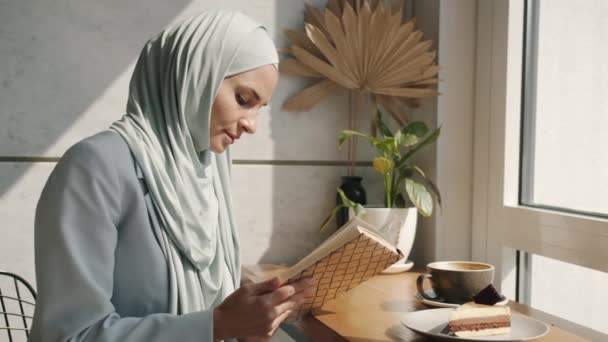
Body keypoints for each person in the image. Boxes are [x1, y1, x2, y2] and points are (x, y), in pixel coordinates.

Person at [30, 10, 315, 342]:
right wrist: (219, 325)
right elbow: (69, 336)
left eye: (258, 108)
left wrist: (249, 323)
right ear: (195, 75)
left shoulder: (203, 173)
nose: (250, 123)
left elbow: (217, 314)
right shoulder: (95, 167)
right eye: (243, 100)